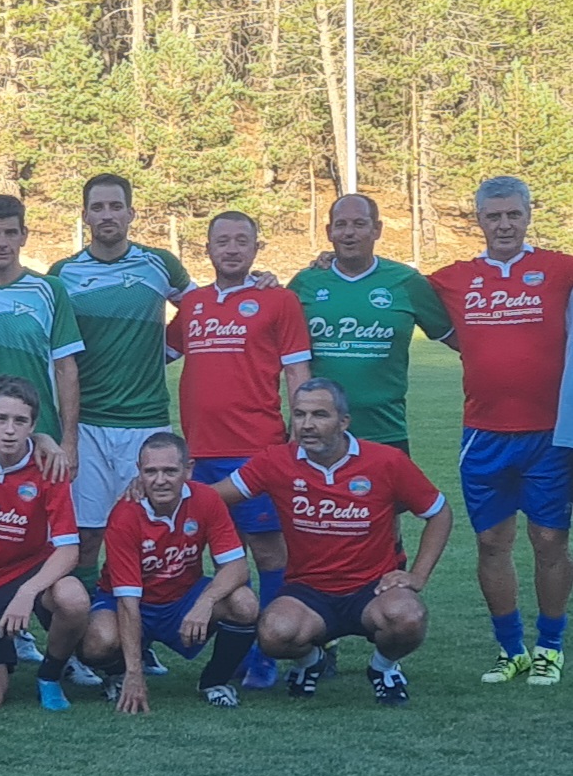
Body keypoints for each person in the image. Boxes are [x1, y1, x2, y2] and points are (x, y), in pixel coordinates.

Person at [212, 379, 452, 707]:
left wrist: (418, 576)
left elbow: (439, 513)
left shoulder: (386, 461)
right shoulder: (275, 461)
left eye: (319, 415)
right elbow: (214, 498)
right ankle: (311, 662)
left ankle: (383, 668)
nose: (307, 425)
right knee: (272, 633)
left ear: (343, 422)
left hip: (372, 589)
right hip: (308, 591)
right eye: (299, 415)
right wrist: (160, 489)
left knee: (408, 616)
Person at [426, 175, 573, 685]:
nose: (505, 224)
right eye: (494, 216)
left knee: (550, 538)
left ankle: (550, 647)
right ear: (480, 220)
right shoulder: (451, 279)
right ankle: (510, 650)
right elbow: (393, 289)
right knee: (492, 541)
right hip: (482, 433)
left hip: (549, 436)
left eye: (514, 214)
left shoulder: (561, 269)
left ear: (529, 214)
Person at [50, 173, 195, 640]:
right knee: (89, 538)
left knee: (147, 535)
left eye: (117, 206)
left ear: (132, 213)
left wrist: (168, 350)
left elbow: (204, 311)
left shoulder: (161, 265)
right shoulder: (63, 274)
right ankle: (92, 637)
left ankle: (143, 637)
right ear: (85, 214)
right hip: (88, 425)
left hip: (145, 423)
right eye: (98, 207)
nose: (107, 215)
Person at [171, 210, 312, 687]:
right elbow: (153, 351)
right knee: (220, 555)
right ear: (207, 248)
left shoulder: (278, 300)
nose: (231, 248)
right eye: (221, 241)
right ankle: (234, 646)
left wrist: (302, 431)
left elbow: (297, 372)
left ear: (256, 247)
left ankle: (269, 651)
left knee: (269, 552)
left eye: (241, 240)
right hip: (198, 454)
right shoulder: (191, 306)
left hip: (257, 451)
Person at [0, 377, 91, 711]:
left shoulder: (48, 467)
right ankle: (2, 646)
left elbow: (68, 549)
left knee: (74, 598)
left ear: (32, 425)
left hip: (31, 571)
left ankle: (50, 675)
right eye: (2, 419)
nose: (10, 430)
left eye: (20, 421)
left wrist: (27, 592)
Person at [93, 431, 261, 713]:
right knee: (98, 641)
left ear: (189, 469)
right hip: (135, 603)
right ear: (139, 472)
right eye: (151, 471)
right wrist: (136, 673)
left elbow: (237, 566)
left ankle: (214, 682)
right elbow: (127, 600)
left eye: (170, 471)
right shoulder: (124, 515)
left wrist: (204, 603)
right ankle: (120, 674)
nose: (160, 480)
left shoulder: (206, 499)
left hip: (182, 599)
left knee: (244, 603)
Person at [291, 194, 449, 453]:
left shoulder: (406, 281)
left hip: (385, 432)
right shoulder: (305, 283)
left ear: (377, 230)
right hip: (316, 434)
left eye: (360, 224)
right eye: (341, 225)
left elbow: (456, 338)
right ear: (329, 232)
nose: (349, 233)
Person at [0, 195, 82, 483]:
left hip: (40, 434)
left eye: (10, 232)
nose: (2, 242)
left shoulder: (50, 290)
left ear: (24, 236)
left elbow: (66, 368)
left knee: (37, 522)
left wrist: (70, 440)